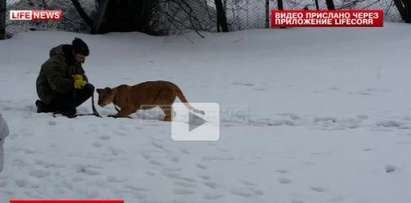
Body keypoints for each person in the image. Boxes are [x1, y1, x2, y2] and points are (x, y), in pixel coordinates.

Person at [35, 38, 94, 118]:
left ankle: (65, 106)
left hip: (65, 90)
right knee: (70, 111)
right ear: (74, 53)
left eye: (84, 58)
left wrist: (81, 80)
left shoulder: (76, 61)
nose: (83, 61)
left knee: (89, 88)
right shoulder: (55, 62)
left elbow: (83, 77)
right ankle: (45, 106)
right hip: (49, 92)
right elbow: (57, 85)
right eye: (81, 57)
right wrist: (74, 82)